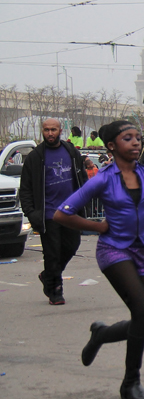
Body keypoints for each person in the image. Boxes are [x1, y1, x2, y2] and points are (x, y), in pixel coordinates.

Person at [54, 120, 144, 399]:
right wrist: (98, 227)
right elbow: (62, 213)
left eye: (138, 137)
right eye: (128, 138)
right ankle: (131, 383)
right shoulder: (103, 178)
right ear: (112, 146)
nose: (136, 142)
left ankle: (102, 335)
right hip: (114, 250)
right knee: (142, 311)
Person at [19, 118, 88, 305]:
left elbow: (82, 178)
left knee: (72, 246)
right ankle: (56, 290)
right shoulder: (35, 157)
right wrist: (31, 213)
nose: (50, 133)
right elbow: (25, 189)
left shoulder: (71, 152)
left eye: (54, 130)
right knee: (52, 253)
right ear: (42, 131)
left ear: (60, 131)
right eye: (47, 130)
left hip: (71, 212)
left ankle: (48, 275)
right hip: (48, 214)